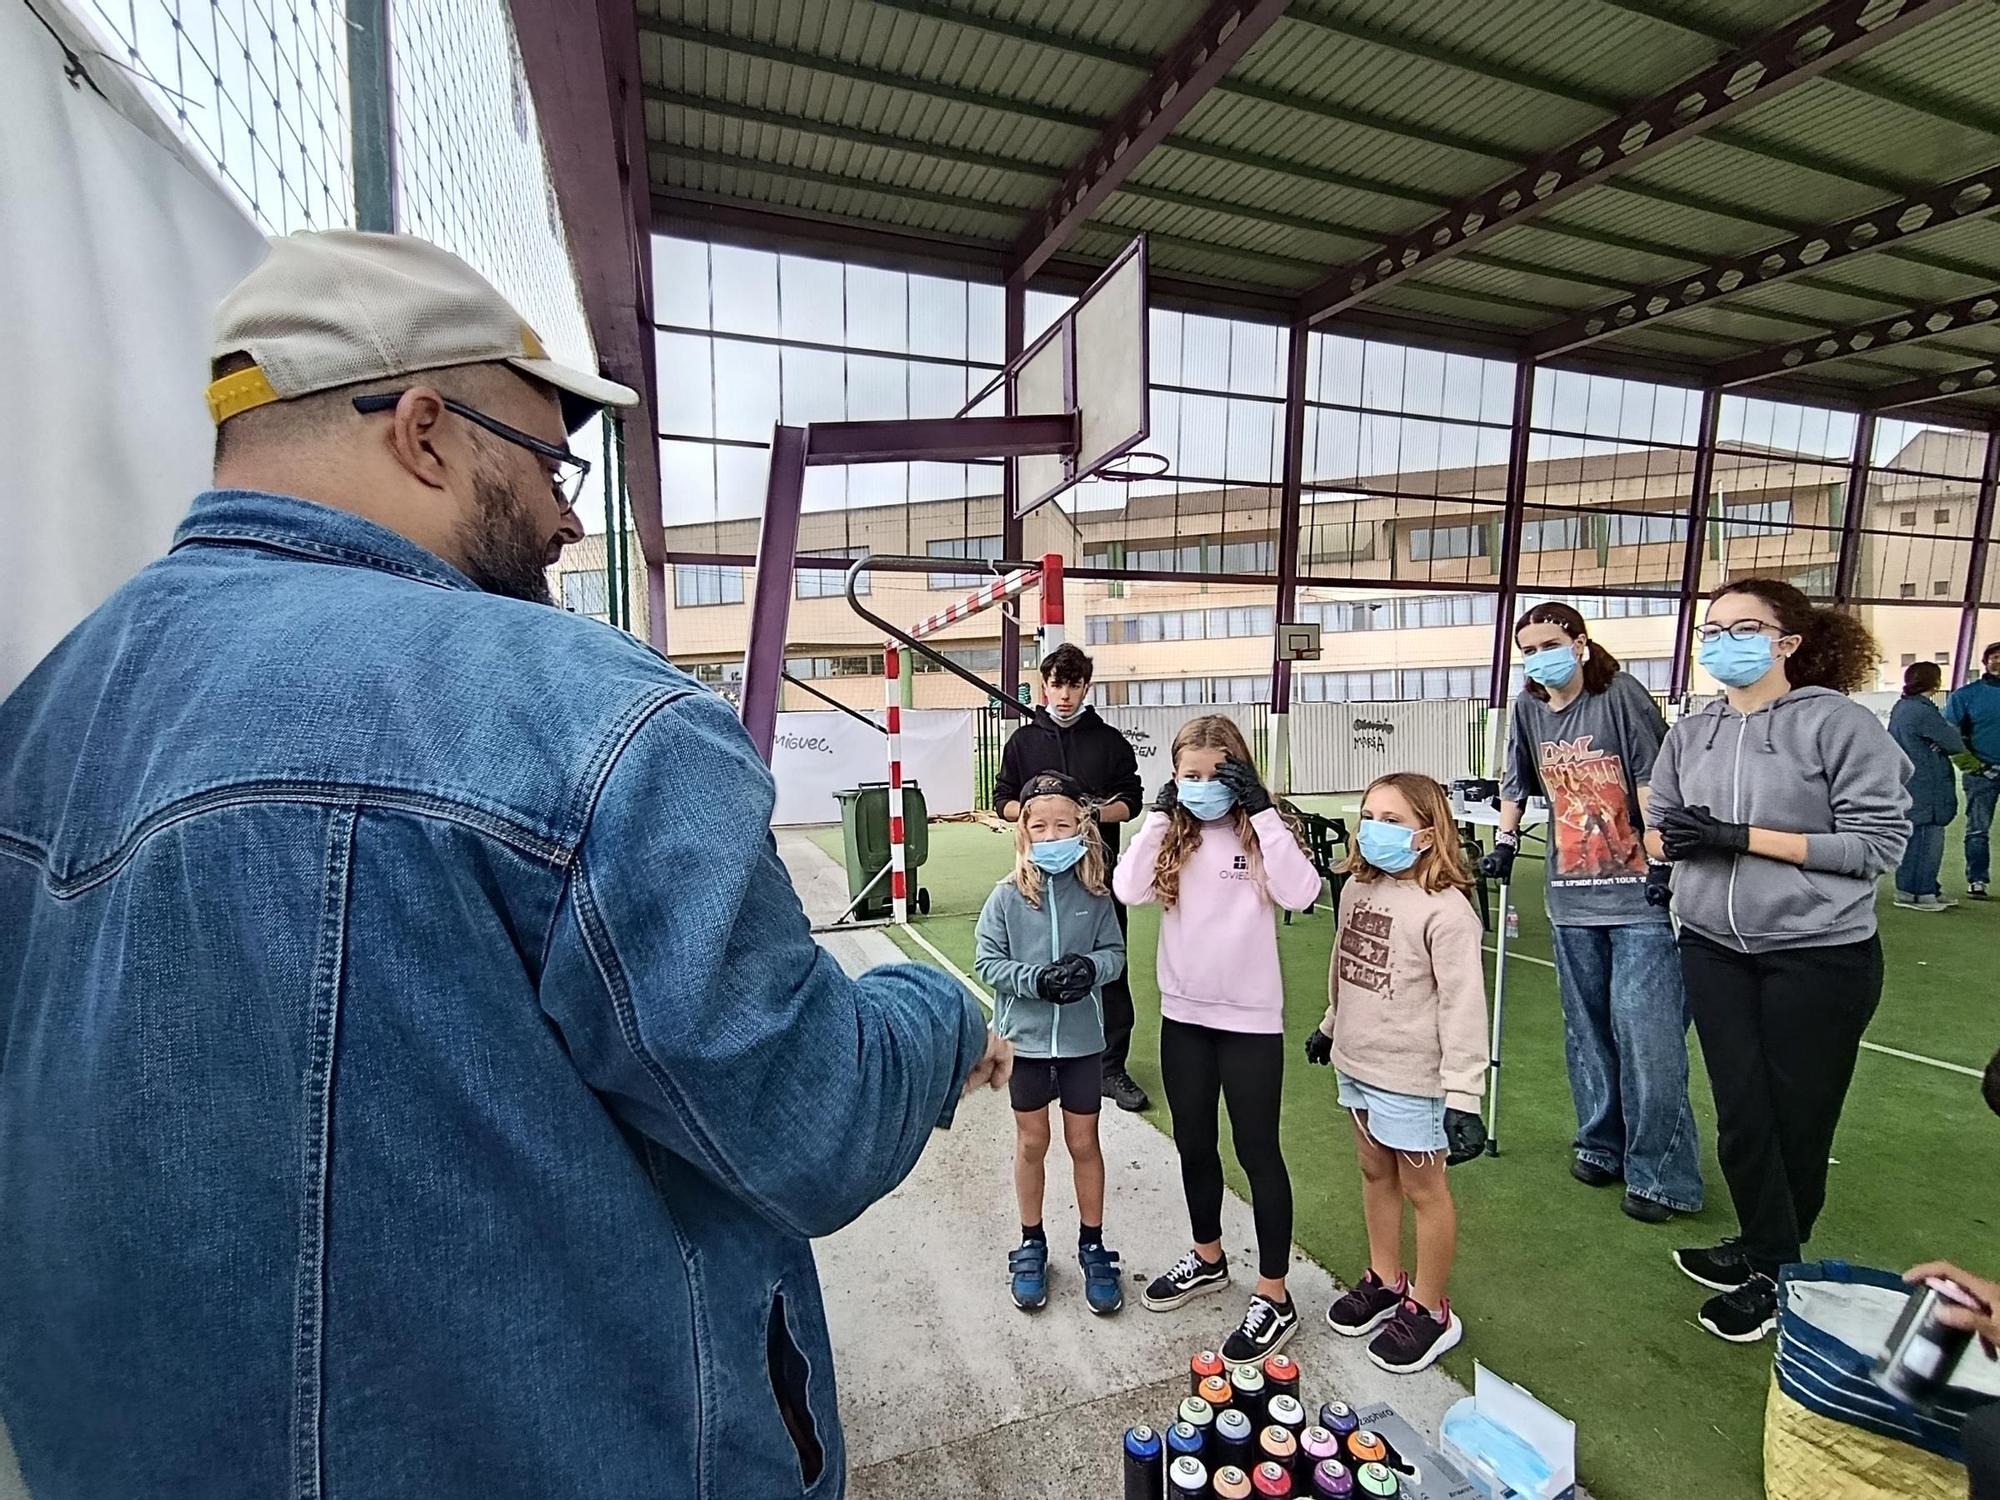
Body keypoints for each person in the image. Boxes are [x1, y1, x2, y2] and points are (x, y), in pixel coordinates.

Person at [0, 231, 1010, 1499]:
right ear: (424, 431)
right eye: (545, 459)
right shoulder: (581, 712)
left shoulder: (37, 718)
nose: (566, 512)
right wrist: (933, 1013)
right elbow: (810, 1125)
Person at [1647, 578, 1909, 1346]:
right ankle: (1764, 1248)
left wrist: (1740, 835)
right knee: (1741, 1115)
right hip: (1713, 946)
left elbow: (1875, 846)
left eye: (1743, 627)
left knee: (1797, 1118)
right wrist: (1681, 842)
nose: (1722, 641)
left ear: (1787, 642)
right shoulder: (1691, 732)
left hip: (1820, 954)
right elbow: (1660, 826)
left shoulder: (1840, 725)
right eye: (1713, 627)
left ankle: (1773, 1272)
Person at [1113, 715, 1322, 1362]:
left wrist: (1259, 810)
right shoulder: (1171, 833)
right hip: (1184, 1019)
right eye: (1190, 775)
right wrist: (1155, 816)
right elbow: (1127, 888)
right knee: (1193, 1143)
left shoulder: (1260, 830)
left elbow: (1303, 892)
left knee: (1258, 1151)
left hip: (1250, 1023)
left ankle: (1274, 1294)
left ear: (1241, 773)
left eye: (1217, 774)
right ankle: (1209, 1257)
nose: (1203, 787)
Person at [1484, 602, 1701, 1224]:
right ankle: (1601, 1143)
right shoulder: (1528, 709)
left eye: (1548, 643)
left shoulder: (1620, 695)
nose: (1538, 657)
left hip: (1637, 894)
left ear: (1579, 643)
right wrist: (1504, 842)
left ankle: (1662, 1173)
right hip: (1570, 896)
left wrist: (1660, 860)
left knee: (1648, 1034)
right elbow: (1516, 782)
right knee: (1587, 1033)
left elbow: (1651, 779)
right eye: (1527, 649)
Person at [1306, 773, 1488, 1375]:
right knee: (1372, 1170)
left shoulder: (1448, 912)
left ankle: (1430, 1309)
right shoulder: (1357, 889)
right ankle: (1385, 1279)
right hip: (1357, 1063)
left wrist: (1465, 1094)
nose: (1375, 829)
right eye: (1369, 816)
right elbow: (1345, 965)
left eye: (1393, 820)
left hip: (1414, 1078)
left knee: (1422, 1189)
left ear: (1429, 835)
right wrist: (1330, 1026)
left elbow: (1463, 1006)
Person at [974, 771, 1129, 1317]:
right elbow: (987, 962)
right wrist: (1034, 980)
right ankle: (1032, 1242)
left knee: (1084, 1142)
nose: (1051, 833)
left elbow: (1116, 953)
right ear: (1025, 834)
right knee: (1032, 1142)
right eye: (1039, 826)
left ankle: (1093, 1244)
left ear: (1081, 830)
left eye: (1063, 824)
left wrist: (1091, 967)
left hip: (1084, 1042)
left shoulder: (1095, 894)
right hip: (1027, 1046)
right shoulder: (1005, 896)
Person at [993, 643, 1150, 1112]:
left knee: (1108, 966)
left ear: (1086, 686)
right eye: (1057, 684)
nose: (1064, 694)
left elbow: (1132, 801)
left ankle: (1110, 1067)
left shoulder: (1110, 742)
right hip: (1035, 880)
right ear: (1045, 685)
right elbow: (1002, 801)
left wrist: (1093, 812)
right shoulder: (1022, 743)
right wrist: (1045, 812)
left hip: (1098, 877)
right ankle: (1042, 1059)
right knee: (1036, 962)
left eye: (1074, 684)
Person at [1889, 659, 1964, 912]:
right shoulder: (1923, 711)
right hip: (1928, 785)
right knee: (1927, 838)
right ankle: (1922, 892)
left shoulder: (1903, 707)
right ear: (1935, 682)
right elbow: (1953, 741)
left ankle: (1913, 890)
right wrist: (1942, 740)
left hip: (1912, 782)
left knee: (1916, 839)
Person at [1945, 641, 2000, 899]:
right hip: (1982, 775)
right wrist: (1974, 767)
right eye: (1995, 657)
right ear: (1986, 662)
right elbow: (1951, 735)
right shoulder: (1965, 696)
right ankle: (1977, 879)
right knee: (1978, 829)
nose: (1999, 661)